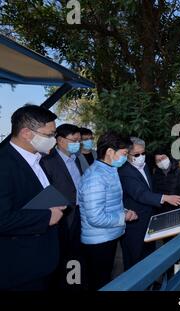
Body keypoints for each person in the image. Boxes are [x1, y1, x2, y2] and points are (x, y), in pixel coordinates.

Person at [0, 105, 66, 290]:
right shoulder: (4, 164)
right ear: (27, 133)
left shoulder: (38, 159)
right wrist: (47, 216)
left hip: (45, 261)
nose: (54, 140)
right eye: (49, 135)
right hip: (20, 269)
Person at [78, 132, 138, 290]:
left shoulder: (108, 171)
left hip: (107, 236)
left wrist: (124, 211)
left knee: (104, 278)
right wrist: (122, 217)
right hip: (99, 241)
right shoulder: (96, 177)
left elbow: (108, 203)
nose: (126, 158)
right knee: (100, 282)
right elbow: (95, 217)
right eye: (124, 154)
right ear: (110, 152)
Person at [118, 137, 180, 271]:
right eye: (137, 154)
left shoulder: (145, 166)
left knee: (148, 257)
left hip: (149, 220)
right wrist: (165, 198)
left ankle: (150, 283)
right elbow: (140, 193)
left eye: (143, 153)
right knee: (134, 261)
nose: (141, 157)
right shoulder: (125, 171)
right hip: (135, 223)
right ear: (127, 154)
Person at [40, 123, 83, 290]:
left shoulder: (77, 159)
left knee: (77, 253)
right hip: (61, 218)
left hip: (79, 212)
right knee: (61, 255)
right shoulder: (47, 162)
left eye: (79, 140)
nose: (77, 144)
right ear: (60, 140)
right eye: (74, 140)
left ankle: (75, 283)